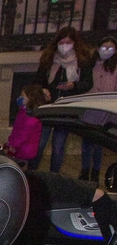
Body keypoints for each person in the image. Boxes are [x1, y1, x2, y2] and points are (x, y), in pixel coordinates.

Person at [31, 27, 94, 173]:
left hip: (66, 107)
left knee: (58, 146)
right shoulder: (49, 58)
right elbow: (38, 80)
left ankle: (54, 175)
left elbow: (87, 83)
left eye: (68, 42)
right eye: (62, 41)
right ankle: (32, 172)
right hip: (48, 106)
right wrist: (42, 89)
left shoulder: (82, 60)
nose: (65, 45)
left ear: (74, 43)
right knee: (40, 143)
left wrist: (73, 85)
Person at [83, 35, 117, 183]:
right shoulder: (91, 65)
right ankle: (84, 170)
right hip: (90, 108)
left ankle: (96, 172)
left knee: (99, 144)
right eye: (104, 48)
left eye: (111, 48)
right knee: (87, 142)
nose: (107, 51)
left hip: (105, 111)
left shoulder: (114, 68)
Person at [6, 84, 52, 169]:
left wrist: (13, 145)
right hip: (20, 147)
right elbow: (17, 129)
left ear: (30, 99)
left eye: (23, 96)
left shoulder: (31, 118)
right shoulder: (24, 111)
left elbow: (23, 134)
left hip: (24, 150)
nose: (20, 98)